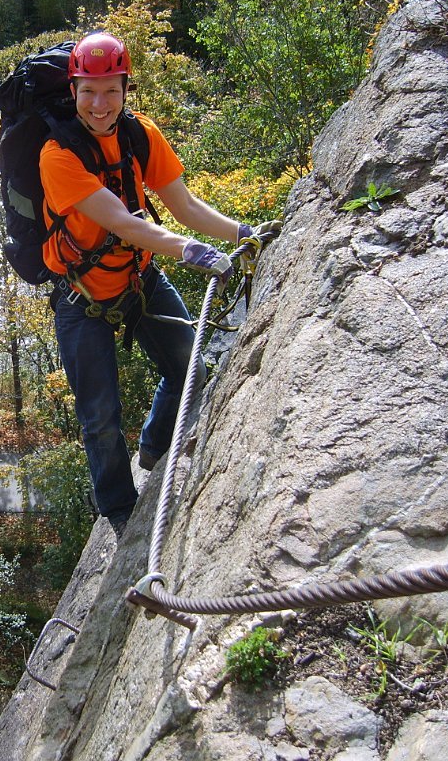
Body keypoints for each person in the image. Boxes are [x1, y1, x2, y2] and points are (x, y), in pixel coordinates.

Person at [39, 32, 280, 539]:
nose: (100, 104)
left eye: (110, 91)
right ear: (73, 91)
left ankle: (153, 448)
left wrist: (241, 233)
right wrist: (191, 250)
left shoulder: (140, 135)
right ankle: (121, 510)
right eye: (88, 91)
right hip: (82, 298)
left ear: (126, 88)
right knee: (100, 415)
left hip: (139, 280)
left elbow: (184, 206)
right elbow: (125, 223)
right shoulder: (58, 155)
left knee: (190, 366)